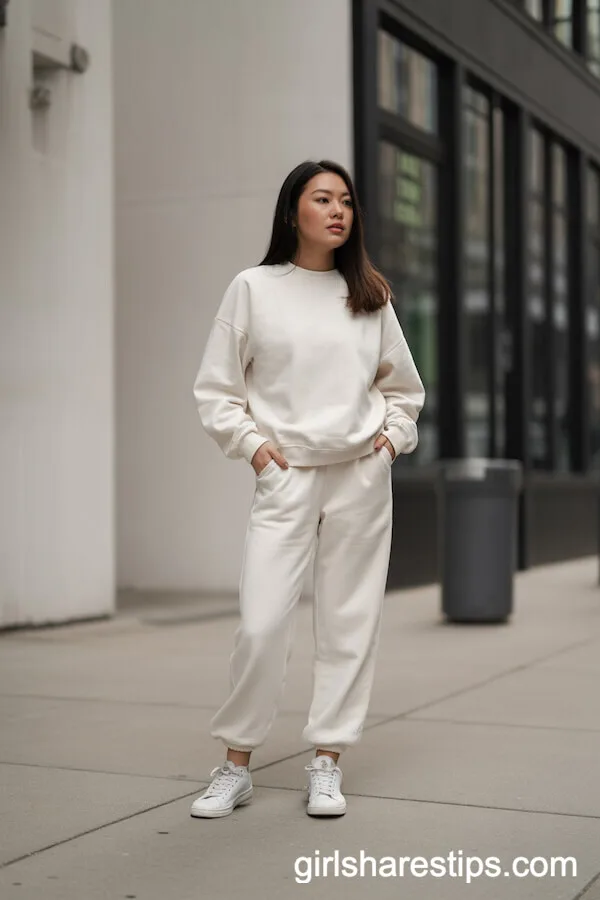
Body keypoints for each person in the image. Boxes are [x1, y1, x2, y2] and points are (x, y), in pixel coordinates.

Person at [190, 159, 425, 819]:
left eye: (345, 200)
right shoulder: (254, 288)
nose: (337, 211)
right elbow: (216, 388)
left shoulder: (369, 295)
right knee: (262, 623)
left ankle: (328, 759)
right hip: (286, 473)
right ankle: (236, 763)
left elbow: (403, 389)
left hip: (359, 473)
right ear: (293, 209)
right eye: (322, 199)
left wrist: (388, 443)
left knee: (349, 620)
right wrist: (257, 451)